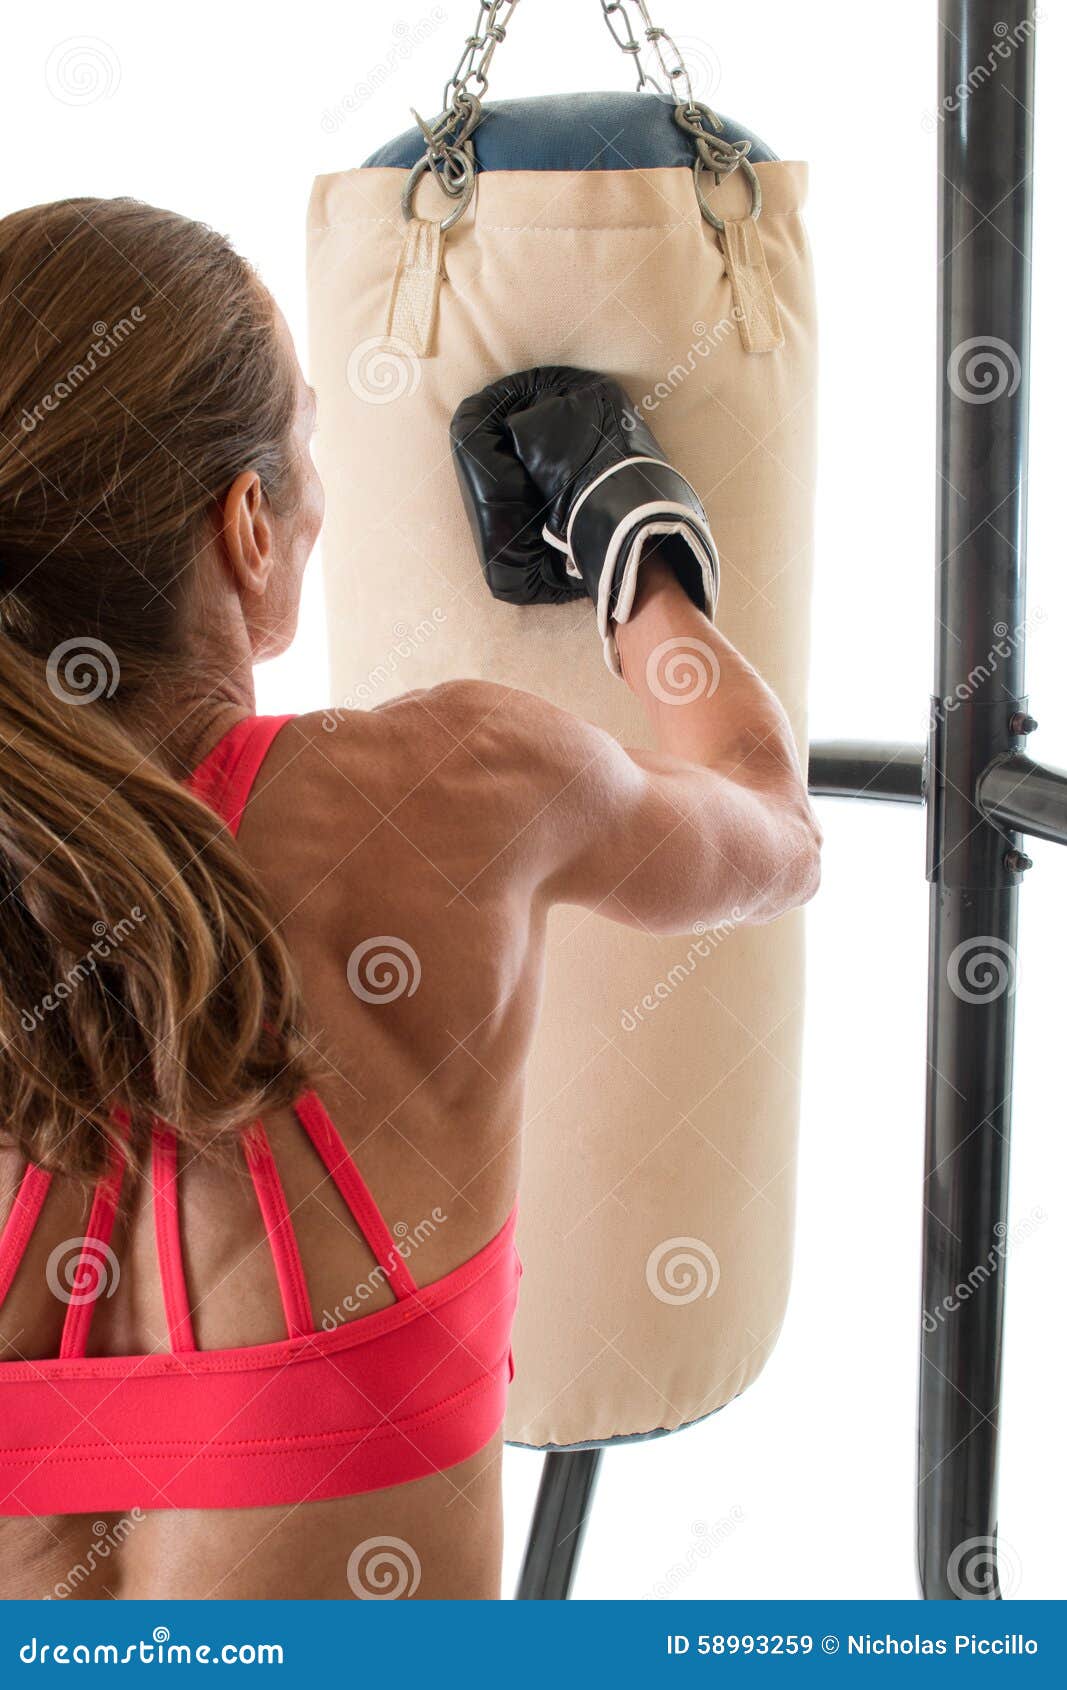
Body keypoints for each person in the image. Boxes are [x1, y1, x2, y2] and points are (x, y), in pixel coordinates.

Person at [0, 198, 820, 1601]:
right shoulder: (457, 787)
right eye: (310, 435)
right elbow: (775, 828)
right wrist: (641, 554)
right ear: (249, 523)